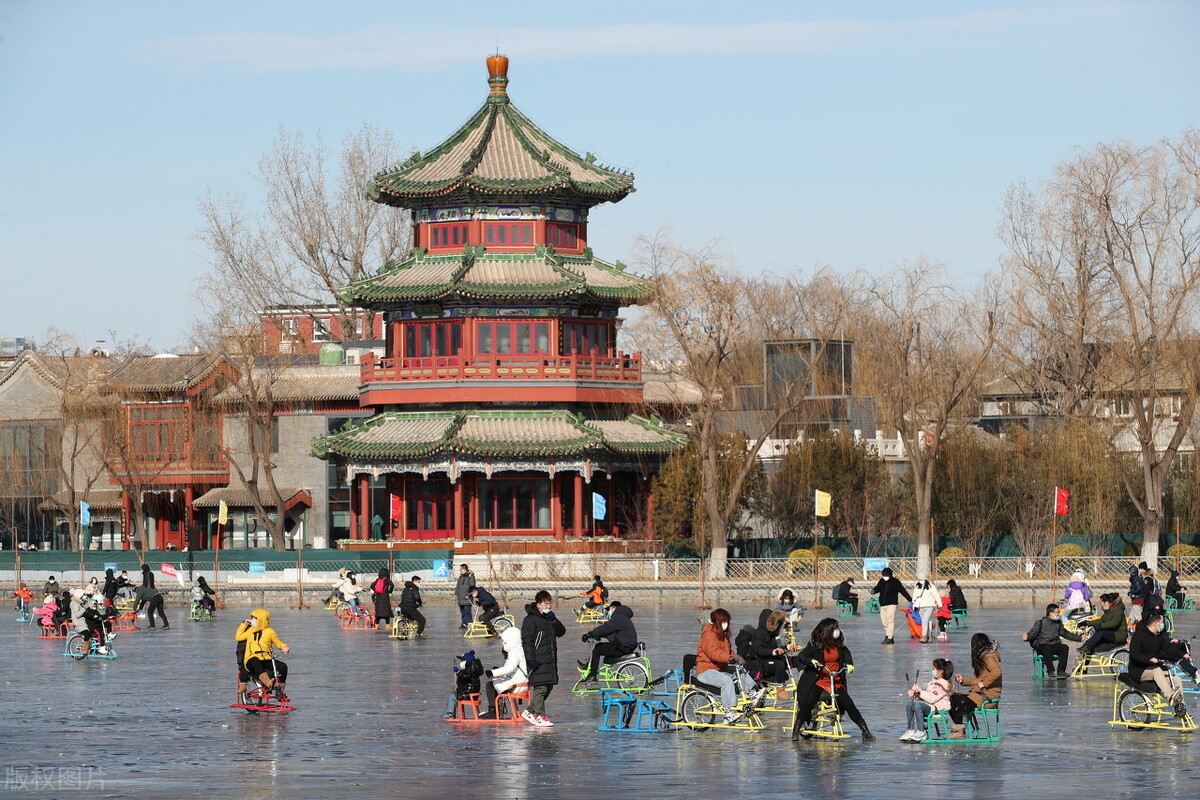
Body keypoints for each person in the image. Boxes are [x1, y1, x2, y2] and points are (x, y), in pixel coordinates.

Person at [789, 617, 874, 741]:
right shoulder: (816, 645)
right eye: (834, 628)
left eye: (837, 628)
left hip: (835, 681)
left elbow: (846, 654)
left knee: (849, 704)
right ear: (828, 631)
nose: (837, 631)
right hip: (818, 680)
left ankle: (865, 732)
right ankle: (796, 730)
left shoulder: (839, 644)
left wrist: (849, 664)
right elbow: (802, 656)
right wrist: (811, 660)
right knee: (808, 704)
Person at [695, 608, 756, 724]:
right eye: (723, 622)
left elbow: (728, 652)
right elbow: (714, 654)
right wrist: (730, 659)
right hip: (705, 670)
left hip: (719, 667)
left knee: (739, 670)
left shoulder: (722, 635)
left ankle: (752, 693)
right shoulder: (708, 635)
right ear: (717, 622)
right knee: (727, 681)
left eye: (727, 622)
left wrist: (737, 658)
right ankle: (728, 713)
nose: (726, 624)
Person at [521, 589, 566, 727]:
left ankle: (529, 711)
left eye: (549, 603)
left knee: (549, 686)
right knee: (540, 688)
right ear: (538, 604)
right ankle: (540, 716)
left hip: (550, 659)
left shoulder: (549, 618)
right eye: (545, 604)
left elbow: (561, 632)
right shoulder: (530, 619)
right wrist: (530, 659)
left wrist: (554, 620)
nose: (548, 606)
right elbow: (526, 641)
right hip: (537, 659)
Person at [1128, 611, 1187, 716]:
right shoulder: (1139, 635)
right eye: (1162, 623)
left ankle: (1180, 707)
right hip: (1138, 670)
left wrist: (1183, 655)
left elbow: (1168, 648)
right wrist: (1149, 659)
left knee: (1177, 679)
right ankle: (1170, 697)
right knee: (1157, 671)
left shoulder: (1158, 636)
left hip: (1153, 669)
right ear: (1156, 624)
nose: (1163, 625)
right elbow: (1134, 654)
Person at [948, 633, 1002, 739]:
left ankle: (959, 731)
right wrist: (963, 680)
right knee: (952, 698)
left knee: (960, 700)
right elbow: (978, 680)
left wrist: (985, 683)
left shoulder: (988, 657)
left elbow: (996, 672)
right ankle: (959, 729)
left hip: (989, 696)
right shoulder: (983, 657)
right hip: (980, 693)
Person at [236, 609, 291, 697]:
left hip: (266, 659)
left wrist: (284, 647)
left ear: (261, 619)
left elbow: (278, 642)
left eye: (254, 618)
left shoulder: (270, 632)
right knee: (255, 660)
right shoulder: (250, 631)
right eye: (251, 618)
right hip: (251, 660)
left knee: (283, 666)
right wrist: (244, 624)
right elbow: (238, 637)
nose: (252, 620)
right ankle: (267, 682)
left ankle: (280, 690)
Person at [478, 626, 529, 720]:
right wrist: (500, 674)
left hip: (518, 685)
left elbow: (509, 668)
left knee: (490, 685)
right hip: (520, 682)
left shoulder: (514, 651)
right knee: (496, 684)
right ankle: (497, 711)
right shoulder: (520, 649)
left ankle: (493, 712)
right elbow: (513, 669)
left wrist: (492, 673)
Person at [578, 602, 637, 683]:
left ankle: (592, 675)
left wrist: (590, 634)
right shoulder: (623, 617)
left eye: (609, 609)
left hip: (623, 646)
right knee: (599, 646)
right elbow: (612, 632)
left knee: (597, 651)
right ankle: (587, 666)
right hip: (626, 645)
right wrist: (598, 636)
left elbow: (607, 627)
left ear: (613, 608)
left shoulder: (618, 617)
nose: (608, 611)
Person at [900, 657, 954, 742]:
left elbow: (932, 699)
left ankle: (922, 731)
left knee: (917, 705)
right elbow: (928, 696)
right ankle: (910, 730)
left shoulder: (944, 685)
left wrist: (920, 691)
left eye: (934, 669)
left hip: (937, 709)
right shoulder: (935, 682)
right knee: (910, 705)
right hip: (930, 706)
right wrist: (916, 694)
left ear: (940, 671)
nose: (932, 671)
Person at [1022, 603, 1082, 678]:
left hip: (1054, 644)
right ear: (1050, 613)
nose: (1058, 614)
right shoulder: (1040, 623)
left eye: (1059, 612)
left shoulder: (1058, 623)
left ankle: (1061, 671)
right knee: (1046, 647)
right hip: (1043, 645)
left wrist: (1079, 638)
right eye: (1057, 612)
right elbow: (1032, 633)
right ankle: (1050, 671)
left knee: (1064, 647)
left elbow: (1065, 634)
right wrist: (1027, 637)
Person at [743, 609, 792, 697]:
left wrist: (787, 647)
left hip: (771, 659)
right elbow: (758, 650)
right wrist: (772, 652)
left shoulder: (772, 634)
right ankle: (780, 689)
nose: (776, 625)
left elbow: (776, 648)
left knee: (795, 660)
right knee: (779, 664)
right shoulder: (758, 633)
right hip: (761, 663)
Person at [1078, 592, 1128, 660]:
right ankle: (1083, 668)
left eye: (1102, 603)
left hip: (1119, 635)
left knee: (1101, 632)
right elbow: (1101, 620)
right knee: (1091, 646)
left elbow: (1114, 623)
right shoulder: (1110, 610)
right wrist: (1087, 623)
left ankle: (1086, 646)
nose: (1102, 606)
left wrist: (1100, 626)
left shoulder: (1118, 611)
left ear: (1107, 602)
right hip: (1112, 633)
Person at [870, 568, 911, 645]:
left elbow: (902, 591)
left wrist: (909, 599)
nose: (884, 577)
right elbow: (878, 588)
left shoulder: (895, 582)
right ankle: (889, 636)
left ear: (890, 575)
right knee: (884, 621)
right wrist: (873, 590)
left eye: (886, 575)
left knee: (890, 620)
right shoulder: (882, 581)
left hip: (891, 604)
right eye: (883, 575)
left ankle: (888, 637)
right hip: (882, 604)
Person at [440, 650, 484, 719]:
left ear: (467, 662)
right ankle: (451, 713)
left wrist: (458, 672)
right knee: (454, 694)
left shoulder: (470, 670)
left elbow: (465, 677)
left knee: (452, 697)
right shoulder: (472, 669)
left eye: (462, 661)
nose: (461, 662)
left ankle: (450, 713)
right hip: (469, 692)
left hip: (468, 694)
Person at [71, 588, 108, 655]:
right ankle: (85, 650)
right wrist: (85, 608)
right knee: (87, 634)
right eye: (83, 595)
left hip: (84, 622)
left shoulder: (81, 603)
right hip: (79, 624)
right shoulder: (74, 604)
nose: (85, 596)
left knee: (95, 632)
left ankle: (96, 649)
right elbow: (77, 615)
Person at [912, 578, 939, 643]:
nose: (920, 580)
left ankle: (924, 636)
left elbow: (936, 595)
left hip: (929, 606)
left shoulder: (931, 586)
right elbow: (914, 595)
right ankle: (929, 636)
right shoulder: (917, 586)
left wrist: (939, 604)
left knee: (924, 620)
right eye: (919, 579)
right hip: (920, 606)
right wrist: (914, 602)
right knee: (927, 621)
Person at [455, 564, 476, 629]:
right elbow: (458, 586)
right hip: (461, 597)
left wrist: (468, 595)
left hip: (467, 598)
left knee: (467, 612)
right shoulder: (460, 577)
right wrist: (456, 594)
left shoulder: (470, 576)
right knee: (462, 612)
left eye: (461, 569)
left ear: (464, 569)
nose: (460, 570)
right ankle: (464, 623)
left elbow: (472, 586)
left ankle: (469, 624)